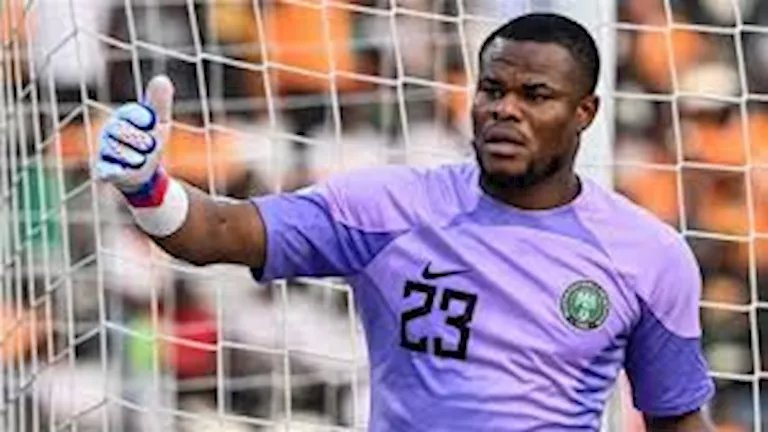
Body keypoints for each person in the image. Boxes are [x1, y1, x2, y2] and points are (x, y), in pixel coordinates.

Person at [96, 13, 715, 431]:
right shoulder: (390, 208)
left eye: (535, 95)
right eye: (492, 89)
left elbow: (676, 418)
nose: (505, 110)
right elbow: (217, 232)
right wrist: (146, 185)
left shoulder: (647, 256)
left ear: (585, 112)